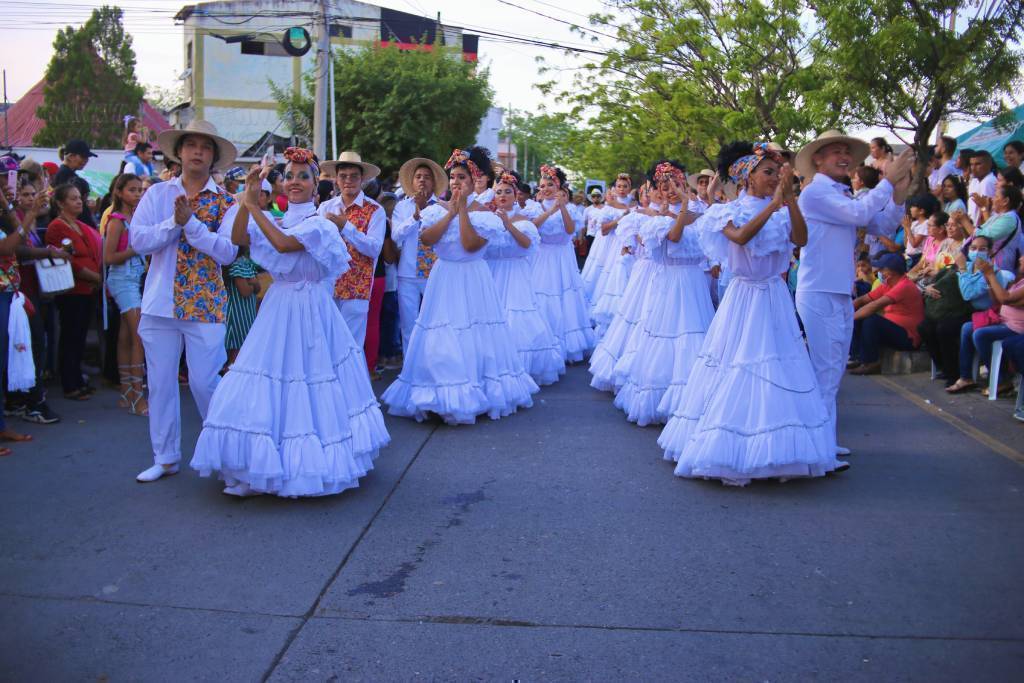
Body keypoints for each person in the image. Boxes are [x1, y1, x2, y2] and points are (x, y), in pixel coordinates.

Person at [191, 150, 389, 497]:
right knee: (269, 377)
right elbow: (239, 239)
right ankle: (260, 465)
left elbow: (283, 246)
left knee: (307, 378)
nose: (294, 181)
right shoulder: (276, 218)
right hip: (278, 304)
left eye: (303, 176)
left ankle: (307, 463)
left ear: (316, 188)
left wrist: (252, 206)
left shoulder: (320, 224)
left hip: (310, 306)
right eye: (290, 176)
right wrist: (248, 201)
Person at [662, 142, 845, 485]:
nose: (775, 178)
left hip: (775, 295)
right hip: (744, 296)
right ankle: (733, 447)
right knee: (741, 363)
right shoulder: (726, 211)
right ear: (746, 177)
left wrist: (788, 203)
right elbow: (742, 237)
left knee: (780, 364)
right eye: (768, 173)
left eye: (778, 173)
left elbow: (802, 240)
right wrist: (774, 205)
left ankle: (781, 450)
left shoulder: (781, 209)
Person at [381, 147, 538, 424]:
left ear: (474, 180)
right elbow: (428, 239)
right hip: (443, 276)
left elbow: (470, 244)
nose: (456, 182)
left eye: (462, 177)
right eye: (453, 177)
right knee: (441, 331)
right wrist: (449, 212)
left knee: (473, 330)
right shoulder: (435, 210)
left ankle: (473, 390)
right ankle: (438, 391)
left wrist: (462, 210)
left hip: (473, 277)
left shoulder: (487, 215)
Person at [129, 120, 241, 483]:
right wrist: (173, 226)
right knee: (160, 383)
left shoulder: (227, 202)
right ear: (178, 152)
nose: (197, 151)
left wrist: (191, 225)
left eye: (205, 147)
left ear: (213, 157)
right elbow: (138, 240)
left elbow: (226, 252)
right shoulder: (157, 194)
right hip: (159, 302)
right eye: (190, 145)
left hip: (205, 304)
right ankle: (165, 457)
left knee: (205, 383)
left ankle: (227, 458)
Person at [795, 130, 914, 454]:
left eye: (846, 151)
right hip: (819, 290)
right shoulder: (815, 194)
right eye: (835, 151)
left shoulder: (841, 193)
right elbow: (861, 215)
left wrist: (898, 194)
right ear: (817, 159)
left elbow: (881, 225)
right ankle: (816, 446)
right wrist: (887, 181)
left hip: (838, 291)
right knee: (826, 369)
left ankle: (823, 443)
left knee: (832, 371)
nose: (844, 156)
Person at [614, 160, 711, 426]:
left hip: (695, 285)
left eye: (675, 185)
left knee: (694, 335)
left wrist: (699, 203)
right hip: (670, 284)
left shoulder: (700, 214)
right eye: (664, 186)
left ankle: (693, 398)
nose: (670, 190)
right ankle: (663, 399)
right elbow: (676, 237)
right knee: (669, 335)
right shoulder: (655, 221)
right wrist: (682, 207)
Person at [486, 170, 565, 385]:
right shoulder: (486, 219)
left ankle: (518, 366)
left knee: (517, 315)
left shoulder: (524, 220)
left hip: (515, 274)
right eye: (499, 192)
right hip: (492, 273)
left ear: (516, 195)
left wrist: (507, 224)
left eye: (507, 192)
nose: (502, 196)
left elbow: (526, 244)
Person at [318, 151, 385, 347]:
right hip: (328, 285)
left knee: (351, 347)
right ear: (336, 179)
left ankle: (351, 379)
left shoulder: (375, 210)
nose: (348, 180)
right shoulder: (325, 208)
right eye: (343, 176)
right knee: (327, 343)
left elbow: (374, 249)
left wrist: (345, 227)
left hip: (357, 287)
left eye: (354, 176)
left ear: (362, 178)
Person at [530, 164, 595, 362]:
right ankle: (543, 342)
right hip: (541, 256)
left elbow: (570, 230)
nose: (546, 188)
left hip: (562, 256)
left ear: (559, 187)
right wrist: (549, 212)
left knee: (565, 296)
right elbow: (532, 228)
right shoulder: (533, 207)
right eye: (542, 185)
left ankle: (566, 345)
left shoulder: (571, 208)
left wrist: (561, 207)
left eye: (550, 184)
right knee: (541, 295)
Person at [44, 183, 103, 399]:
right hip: (72, 289)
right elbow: (68, 260)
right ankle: (70, 383)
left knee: (79, 336)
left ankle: (78, 378)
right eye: (72, 198)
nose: (79, 201)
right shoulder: (57, 227)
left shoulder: (79, 224)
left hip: (87, 289)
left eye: (79, 197)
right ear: (60, 203)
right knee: (70, 336)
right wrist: (93, 276)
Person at [102, 174, 149, 415]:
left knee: (126, 335)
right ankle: (138, 397)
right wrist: (135, 250)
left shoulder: (134, 218)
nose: (138, 194)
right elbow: (109, 258)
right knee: (138, 335)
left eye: (140, 190)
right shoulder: (117, 221)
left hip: (134, 279)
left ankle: (127, 391)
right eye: (132, 190)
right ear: (119, 192)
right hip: (123, 281)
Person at [946, 253, 1024, 396]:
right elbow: (998, 301)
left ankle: (1002, 378)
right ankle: (966, 377)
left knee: (981, 334)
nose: (1020, 259)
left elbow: (1005, 298)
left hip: (1016, 328)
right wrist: (988, 279)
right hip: (1002, 320)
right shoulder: (1020, 281)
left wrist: (990, 274)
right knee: (967, 328)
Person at [391, 157, 447, 355]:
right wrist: (416, 215)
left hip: (435, 273)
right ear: (412, 181)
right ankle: (410, 368)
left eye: (427, 177)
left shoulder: (442, 207)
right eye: (418, 177)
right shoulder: (402, 207)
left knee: (437, 322)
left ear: (434, 183)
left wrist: (427, 210)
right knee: (409, 325)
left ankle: (434, 364)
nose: (422, 180)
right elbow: (396, 236)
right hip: (407, 273)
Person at [848, 253, 925, 375]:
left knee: (871, 320)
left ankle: (871, 362)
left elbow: (874, 306)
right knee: (860, 318)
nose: (879, 271)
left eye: (882, 269)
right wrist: (843, 312)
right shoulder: (888, 284)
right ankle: (858, 357)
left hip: (908, 337)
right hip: (894, 328)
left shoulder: (904, 286)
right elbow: (862, 300)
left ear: (890, 272)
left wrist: (848, 318)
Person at [54, 140, 98, 228]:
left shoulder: (66, 174)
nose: (86, 160)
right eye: (83, 157)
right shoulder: (65, 175)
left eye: (87, 157)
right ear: (70, 156)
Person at [903, 194, 941, 267]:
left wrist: (908, 228)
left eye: (913, 206)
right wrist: (906, 228)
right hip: (909, 255)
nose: (910, 209)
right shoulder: (914, 223)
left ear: (921, 211)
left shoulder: (925, 224)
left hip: (917, 257)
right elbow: (906, 244)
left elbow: (914, 244)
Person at [967, 150, 998, 226]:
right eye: (971, 164)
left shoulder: (989, 181)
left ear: (989, 164)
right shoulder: (974, 181)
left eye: (978, 164)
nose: (973, 168)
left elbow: (986, 209)